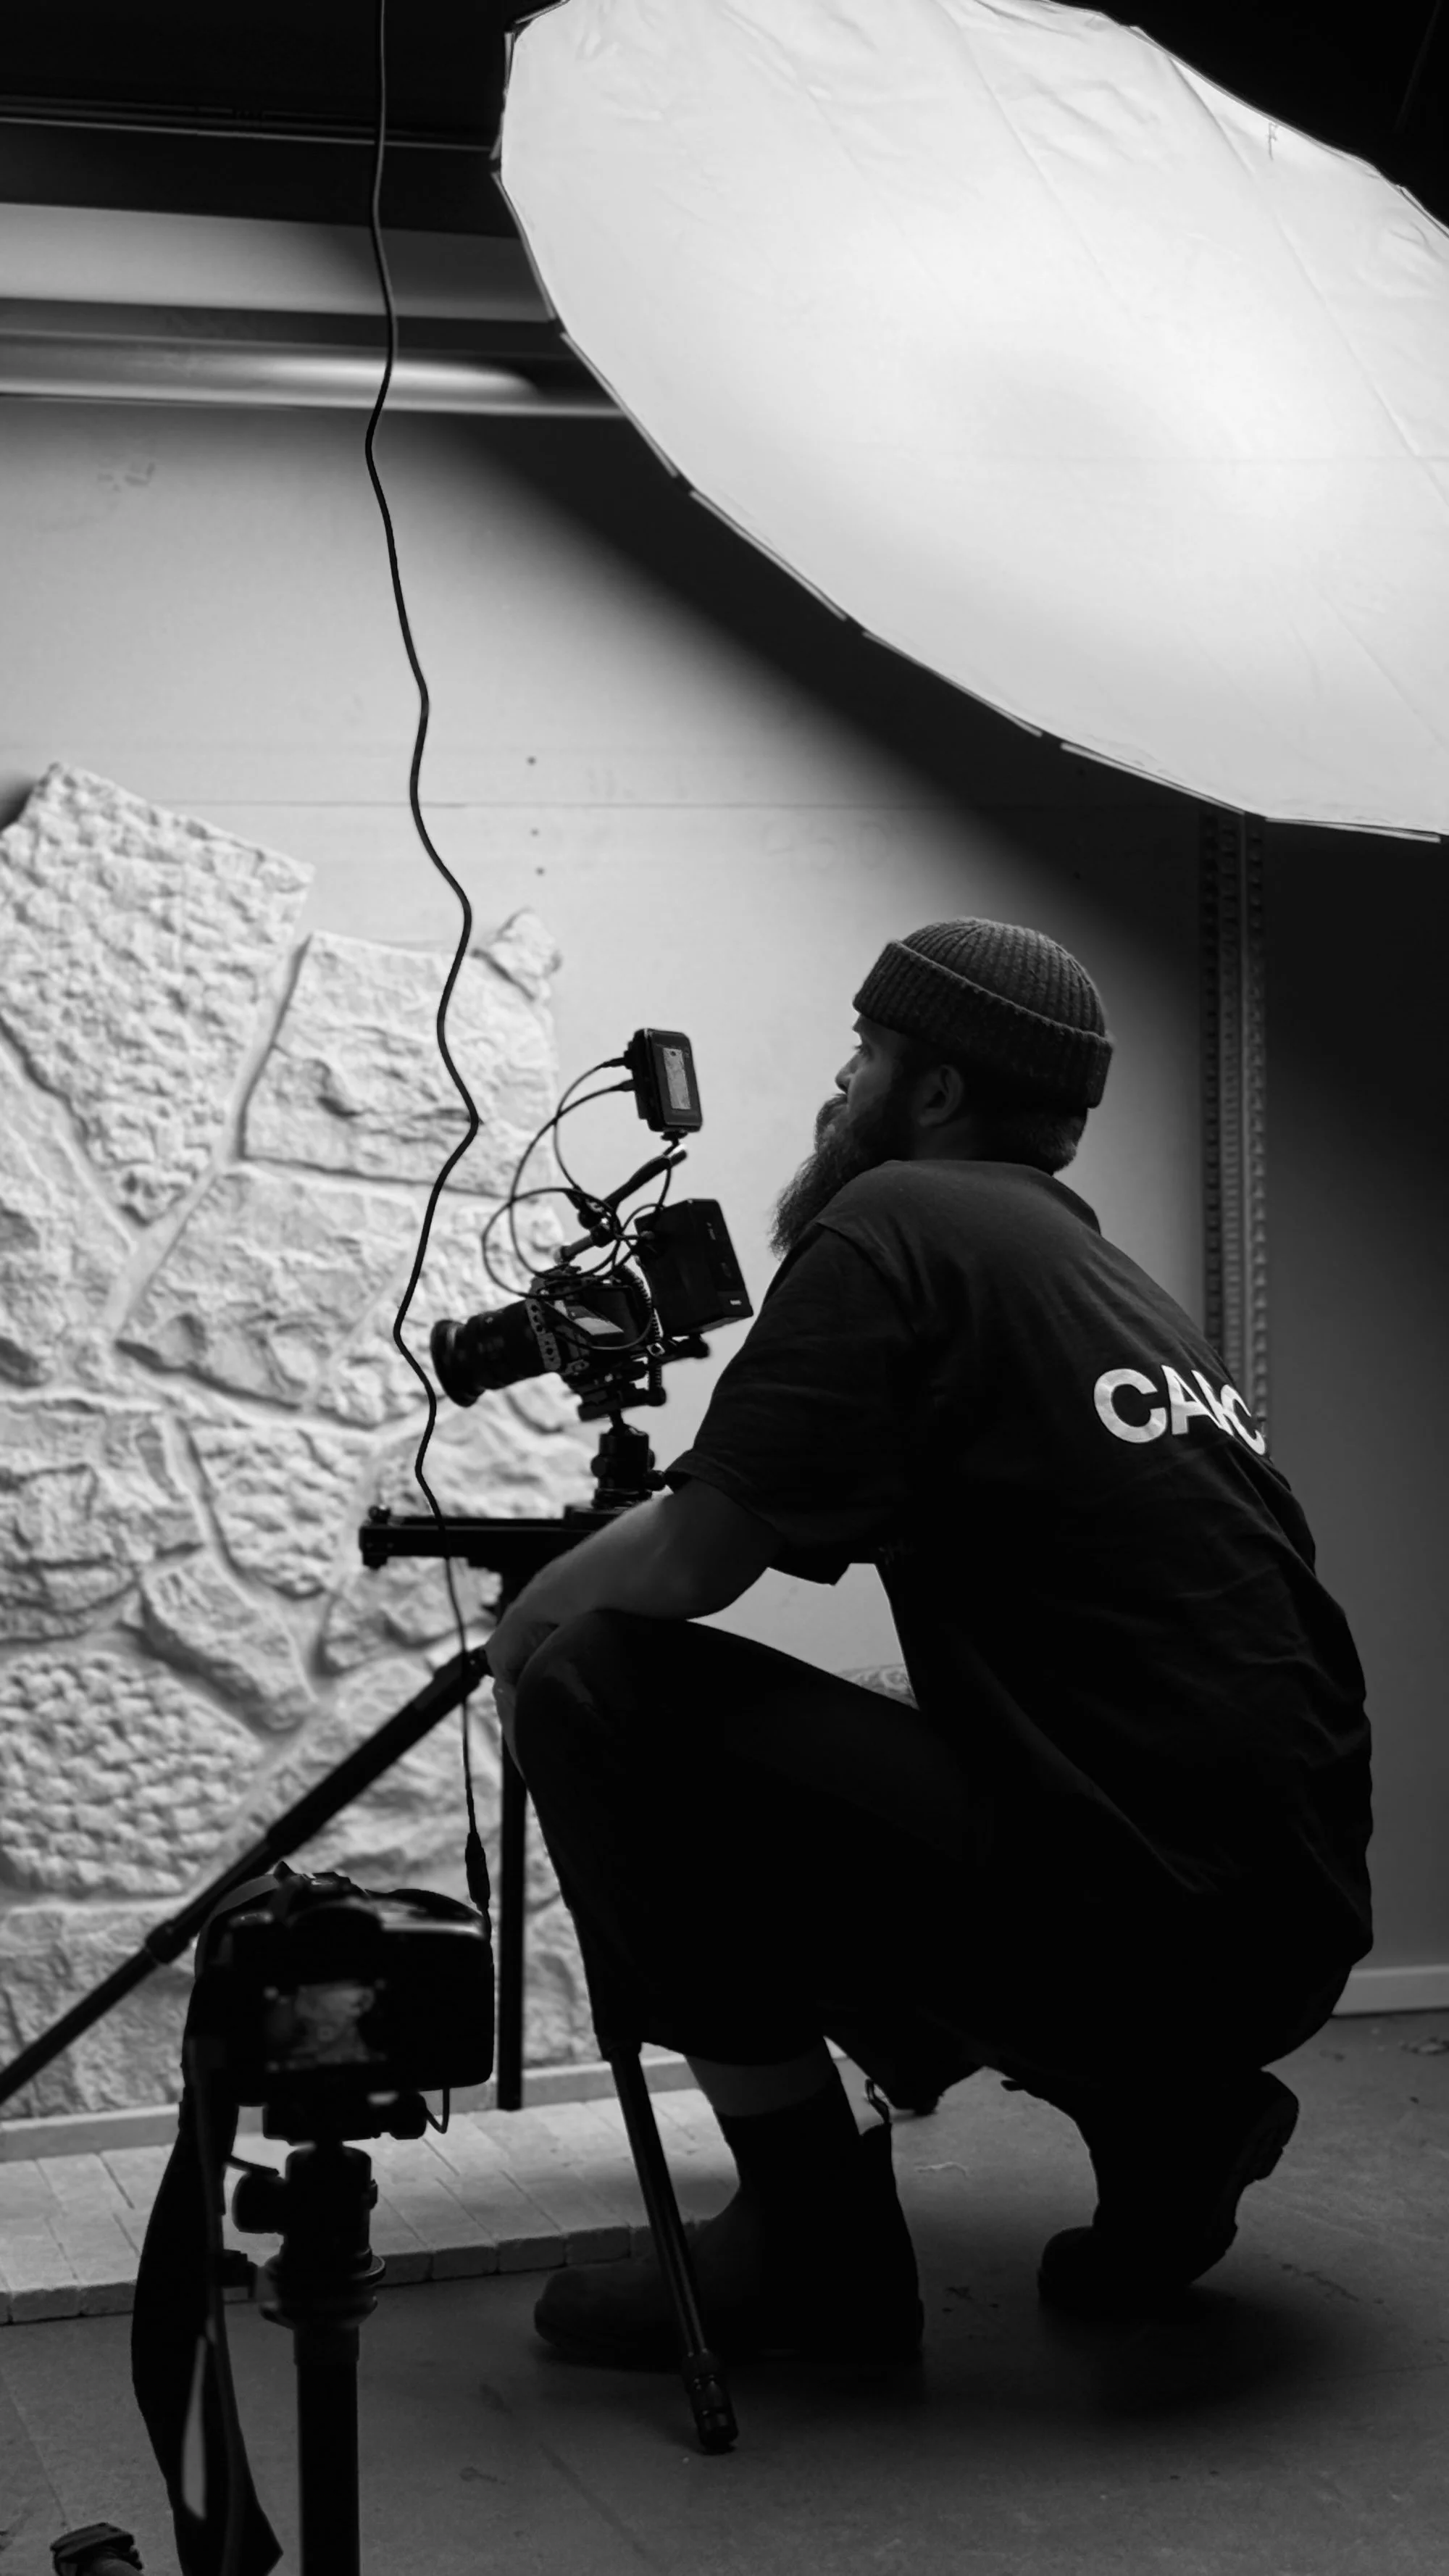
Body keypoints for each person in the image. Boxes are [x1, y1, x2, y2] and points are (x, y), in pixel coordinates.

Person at [484, 917, 1374, 2367]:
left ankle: (808, 2240)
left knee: (594, 1683)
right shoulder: (1099, 1279)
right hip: (1287, 1926)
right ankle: (1169, 2117)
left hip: (1134, 1924)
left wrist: (525, 1620)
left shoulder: (895, 1217)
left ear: (938, 1089)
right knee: (873, 1717)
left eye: (864, 1052)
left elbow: (693, 1558)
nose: (839, 1085)